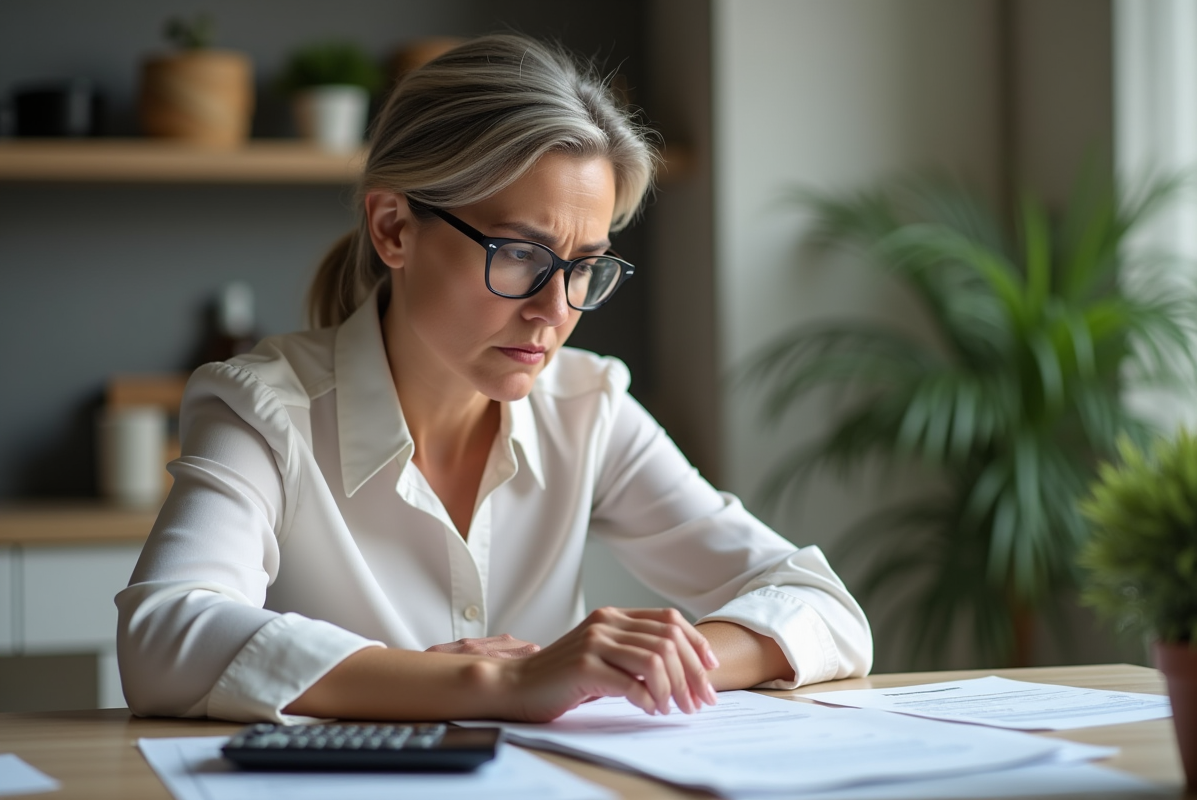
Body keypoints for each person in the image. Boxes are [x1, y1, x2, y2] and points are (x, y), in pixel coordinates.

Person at [115, 33, 871, 725]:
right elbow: (164, 636)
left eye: (584, 267)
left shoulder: (587, 407)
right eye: (518, 253)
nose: (555, 309)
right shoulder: (261, 407)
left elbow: (822, 606)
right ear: (394, 229)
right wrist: (503, 685)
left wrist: (651, 661)